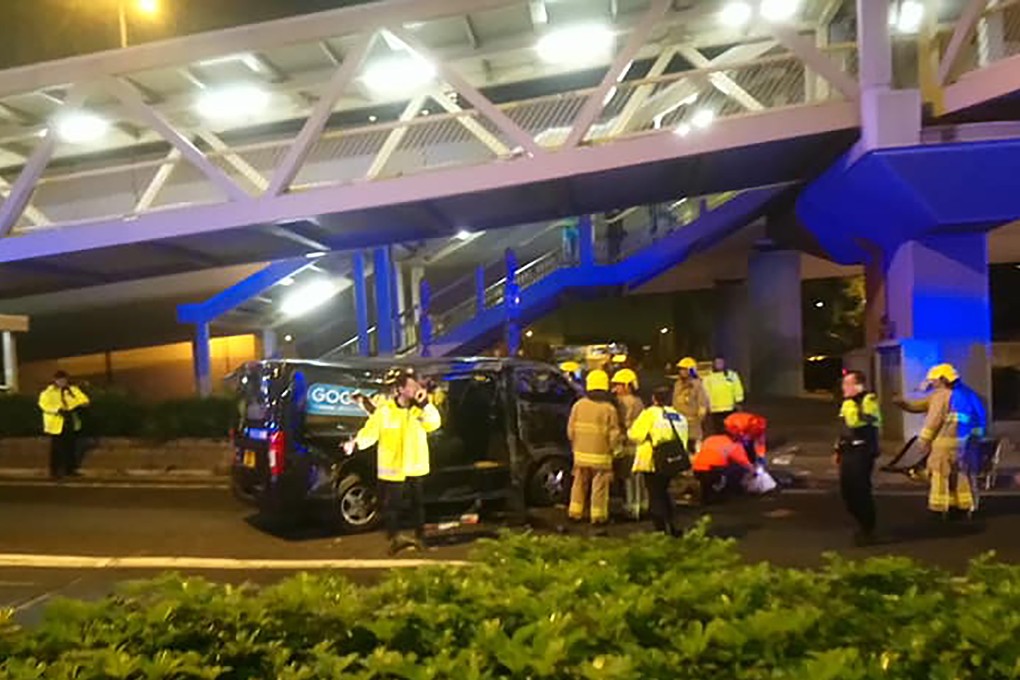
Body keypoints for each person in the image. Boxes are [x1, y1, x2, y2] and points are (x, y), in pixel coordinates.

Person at [353, 368, 441, 554]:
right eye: (411, 386)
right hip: (393, 468)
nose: (415, 388)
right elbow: (371, 432)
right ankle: (394, 539)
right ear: (400, 389)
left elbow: (434, 424)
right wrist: (355, 443)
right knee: (392, 507)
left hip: (415, 466)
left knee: (418, 505)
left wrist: (425, 404)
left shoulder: (421, 409)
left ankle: (420, 537)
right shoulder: (385, 411)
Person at [905, 364, 987, 519]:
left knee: (940, 475)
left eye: (934, 380)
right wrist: (976, 439)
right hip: (963, 444)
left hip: (943, 444)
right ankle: (963, 506)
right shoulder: (967, 394)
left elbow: (933, 421)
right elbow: (979, 417)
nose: (932, 383)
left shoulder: (941, 395)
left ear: (942, 380)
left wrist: (924, 440)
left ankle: (939, 507)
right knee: (961, 475)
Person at [629, 386, 688, 535]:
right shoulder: (679, 416)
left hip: (652, 460)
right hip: (672, 460)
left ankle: (660, 529)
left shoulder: (650, 414)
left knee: (655, 493)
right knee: (663, 491)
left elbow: (635, 435)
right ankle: (673, 525)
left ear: (654, 399)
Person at [567, 370, 621, 531]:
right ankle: (597, 516)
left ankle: (575, 512)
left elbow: (570, 430)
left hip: (580, 454)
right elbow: (614, 434)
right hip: (601, 455)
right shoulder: (609, 409)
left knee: (578, 482)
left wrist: (576, 446)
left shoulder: (578, 405)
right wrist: (615, 451)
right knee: (600, 485)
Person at [834, 371, 881, 545]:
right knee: (847, 491)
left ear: (858, 386)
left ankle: (868, 529)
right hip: (848, 451)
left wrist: (849, 405)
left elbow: (857, 423)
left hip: (862, 451)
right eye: (843, 384)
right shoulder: (849, 403)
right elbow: (843, 429)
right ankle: (861, 524)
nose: (843, 388)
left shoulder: (868, 401)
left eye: (848, 384)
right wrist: (837, 449)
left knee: (860, 491)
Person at [38, 371, 90, 479]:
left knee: (70, 447)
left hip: (70, 421)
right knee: (57, 448)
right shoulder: (48, 392)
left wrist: (79, 405)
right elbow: (44, 405)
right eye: (60, 380)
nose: (62, 382)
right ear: (55, 380)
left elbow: (83, 400)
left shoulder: (72, 390)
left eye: (64, 380)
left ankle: (69, 469)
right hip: (56, 423)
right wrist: (57, 409)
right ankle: (55, 471)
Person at [692, 420, 755, 504]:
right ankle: (727, 490)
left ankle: (707, 495)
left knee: (707, 485)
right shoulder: (733, 445)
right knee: (738, 468)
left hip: (697, 469)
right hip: (712, 472)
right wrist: (755, 472)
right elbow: (744, 463)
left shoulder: (710, 439)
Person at [611, 368, 645, 520]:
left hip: (632, 446)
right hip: (628, 445)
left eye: (619, 385)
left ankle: (634, 507)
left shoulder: (633, 403)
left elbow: (629, 424)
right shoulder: (634, 402)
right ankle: (637, 505)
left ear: (627, 386)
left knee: (632, 478)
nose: (615, 388)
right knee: (630, 477)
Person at [672, 357, 709, 450]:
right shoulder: (677, 384)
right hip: (679, 423)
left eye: (685, 369)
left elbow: (703, 404)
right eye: (680, 369)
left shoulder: (697, 385)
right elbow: (674, 401)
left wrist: (699, 418)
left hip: (693, 423)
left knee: (695, 449)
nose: (682, 371)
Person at [704, 356, 745, 435]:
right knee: (718, 430)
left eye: (721, 363)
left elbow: (738, 388)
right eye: (717, 363)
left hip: (730, 408)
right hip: (715, 409)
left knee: (731, 429)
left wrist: (739, 401)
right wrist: (706, 405)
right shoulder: (708, 377)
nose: (719, 365)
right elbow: (706, 392)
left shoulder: (732, 375)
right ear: (713, 364)